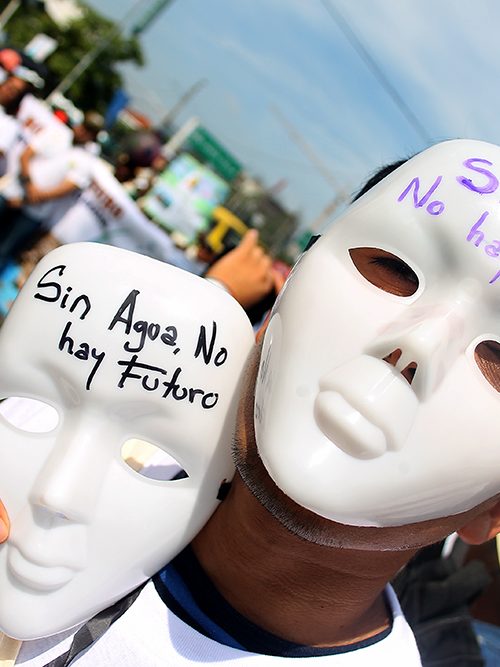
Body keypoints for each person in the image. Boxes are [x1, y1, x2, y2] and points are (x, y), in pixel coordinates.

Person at [1, 138, 500, 665]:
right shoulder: (31, 435)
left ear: (495, 511)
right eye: (393, 268)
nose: (415, 346)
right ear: (286, 291)